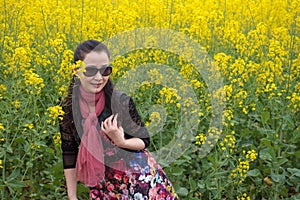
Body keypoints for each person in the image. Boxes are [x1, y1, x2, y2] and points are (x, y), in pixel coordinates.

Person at [59, 40, 179, 200]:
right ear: (76, 70)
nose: (99, 77)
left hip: (137, 178)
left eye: (105, 70)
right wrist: (72, 196)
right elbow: (69, 152)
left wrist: (121, 141)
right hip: (102, 182)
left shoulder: (120, 101)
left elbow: (144, 140)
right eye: (90, 70)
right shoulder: (68, 108)